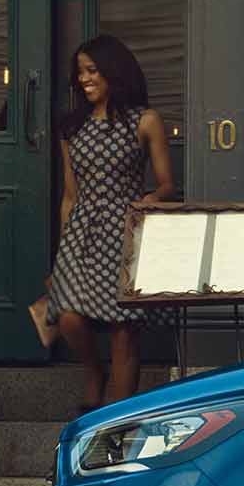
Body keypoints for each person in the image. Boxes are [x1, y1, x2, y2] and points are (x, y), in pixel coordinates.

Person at [37, 34, 179, 411]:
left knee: (123, 329)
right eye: (79, 72)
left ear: (113, 71)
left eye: (91, 70)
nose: (83, 79)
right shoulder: (72, 126)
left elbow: (167, 184)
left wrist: (150, 199)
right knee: (67, 316)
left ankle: (118, 415)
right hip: (83, 230)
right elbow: (70, 194)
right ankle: (93, 372)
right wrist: (62, 250)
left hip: (127, 230)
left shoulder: (145, 120)